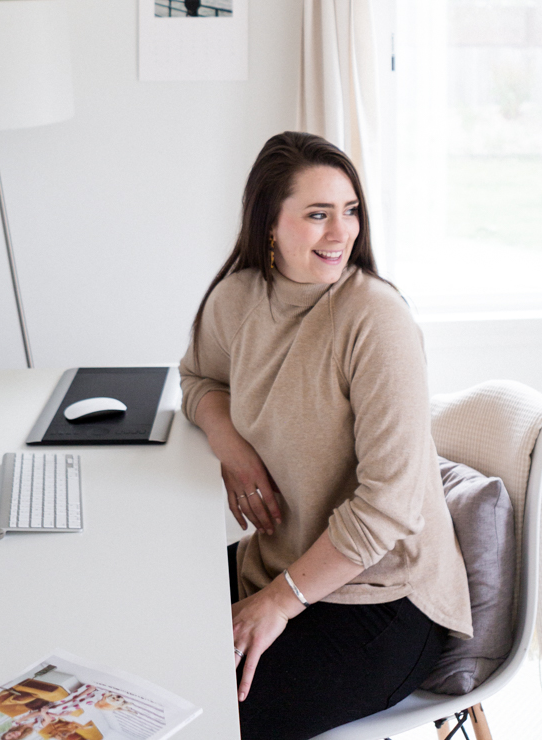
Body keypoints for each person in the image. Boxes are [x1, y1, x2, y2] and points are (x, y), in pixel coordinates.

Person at [179, 131, 471, 740]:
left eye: (350, 210)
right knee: (135, 636)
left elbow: (389, 504)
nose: (342, 232)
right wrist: (232, 446)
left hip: (384, 597)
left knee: (205, 713)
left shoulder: (376, 319)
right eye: (318, 214)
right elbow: (198, 379)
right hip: (278, 562)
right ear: (269, 224)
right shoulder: (237, 299)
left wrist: (278, 602)